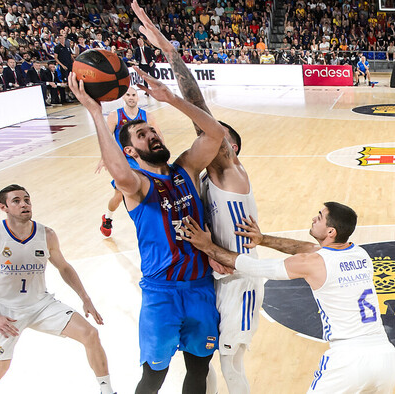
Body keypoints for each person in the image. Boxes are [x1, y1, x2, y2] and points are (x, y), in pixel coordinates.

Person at [68, 33, 227, 394]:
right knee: (153, 377)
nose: (152, 135)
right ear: (130, 150)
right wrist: (96, 113)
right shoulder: (136, 185)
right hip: (162, 293)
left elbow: (215, 134)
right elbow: (117, 171)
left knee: (199, 373)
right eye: (142, 135)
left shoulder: (185, 168)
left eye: (153, 130)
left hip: (201, 287)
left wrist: (171, 99)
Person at [131, 3, 261, 392]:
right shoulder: (198, 178)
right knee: (207, 369)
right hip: (211, 277)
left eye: (224, 139)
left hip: (239, 277)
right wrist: (206, 250)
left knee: (230, 363)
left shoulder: (230, 171)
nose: (216, 140)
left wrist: (171, 55)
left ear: (231, 148)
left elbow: (201, 111)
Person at [181, 202, 395, 393]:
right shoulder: (360, 254)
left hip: (348, 360)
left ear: (331, 231)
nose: (315, 218)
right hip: (386, 357)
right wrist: (263, 239)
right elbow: (303, 248)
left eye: (320, 217)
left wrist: (207, 246)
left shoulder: (314, 263)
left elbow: (254, 267)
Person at [0, 184, 115, 394]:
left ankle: (107, 390)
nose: (24, 204)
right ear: (3, 207)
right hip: (6, 311)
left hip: (42, 305)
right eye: (16, 201)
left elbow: (64, 267)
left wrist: (85, 298)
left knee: (90, 334)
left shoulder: (47, 234)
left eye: (27, 199)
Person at [99, 86, 162, 237]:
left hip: (142, 160)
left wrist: (161, 155)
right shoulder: (115, 116)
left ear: (138, 97)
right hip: (122, 161)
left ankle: (151, 223)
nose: (131, 97)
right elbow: (106, 138)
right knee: (120, 195)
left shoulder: (147, 116)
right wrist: (104, 158)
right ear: (123, 97)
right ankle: (108, 218)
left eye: (134, 95)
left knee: (150, 190)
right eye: (128, 95)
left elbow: (158, 135)